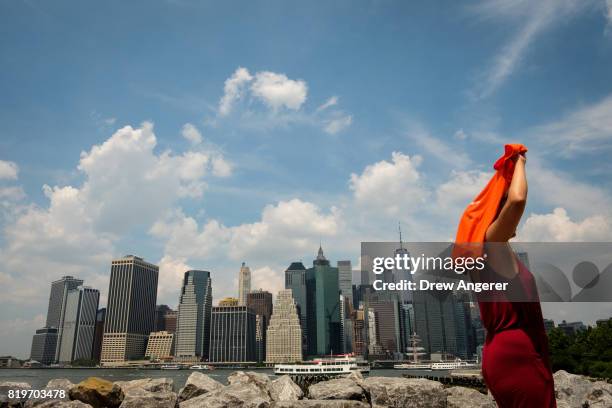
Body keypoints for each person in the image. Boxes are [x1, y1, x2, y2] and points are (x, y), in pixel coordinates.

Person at [455, 145, 556, 407]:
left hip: (504, 352)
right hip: (519, 355)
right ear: (498, 214)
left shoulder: (485, 251)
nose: (517, 223)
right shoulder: (491, 244)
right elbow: (517, 200)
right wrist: (519, 160)